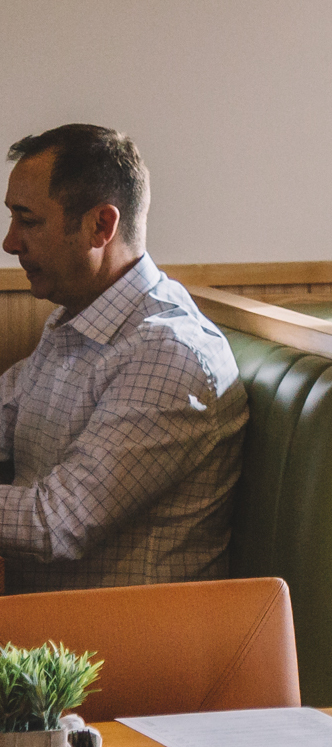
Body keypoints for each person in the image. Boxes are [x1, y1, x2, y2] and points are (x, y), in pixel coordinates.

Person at [0, 125, 247, 590]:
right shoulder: (73, 321)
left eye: (28, 220)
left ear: (101, 226)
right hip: (48, 633)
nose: (10, 243)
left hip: (118, 646)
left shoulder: (168, 353)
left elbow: (57, 522)